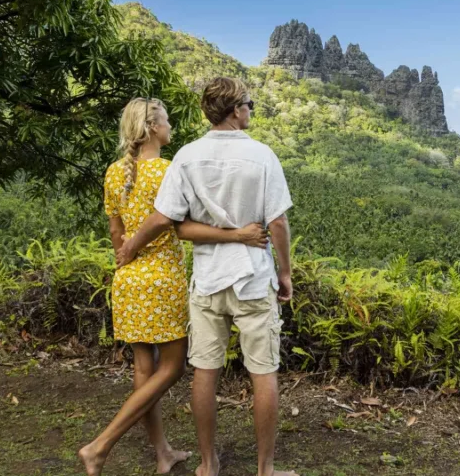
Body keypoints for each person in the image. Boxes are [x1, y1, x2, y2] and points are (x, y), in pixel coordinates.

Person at [79, 97, 271, 476]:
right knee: (173, 368)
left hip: (128, 277)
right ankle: (101, 444)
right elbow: (177, 227)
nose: (170, 127)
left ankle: (162, 452)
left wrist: (126, 256)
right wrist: (238, 235)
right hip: (161, 278)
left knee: (143, 366)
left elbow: (116, 230)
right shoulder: (168, 170)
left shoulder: (114, 172)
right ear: (152, 128)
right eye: (165, 121)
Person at [119, 78, 297, 476]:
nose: (250, 110)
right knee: (263, 372)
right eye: (248, 104)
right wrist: (285, 272)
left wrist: (130, 247)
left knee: (205, 372)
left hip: (208, 280)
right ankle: (265, 469)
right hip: (253, 279)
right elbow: (279, 222)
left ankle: (206, 464)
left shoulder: (186, 156)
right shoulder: (262, 156)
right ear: (235, 111)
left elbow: (171, 222)